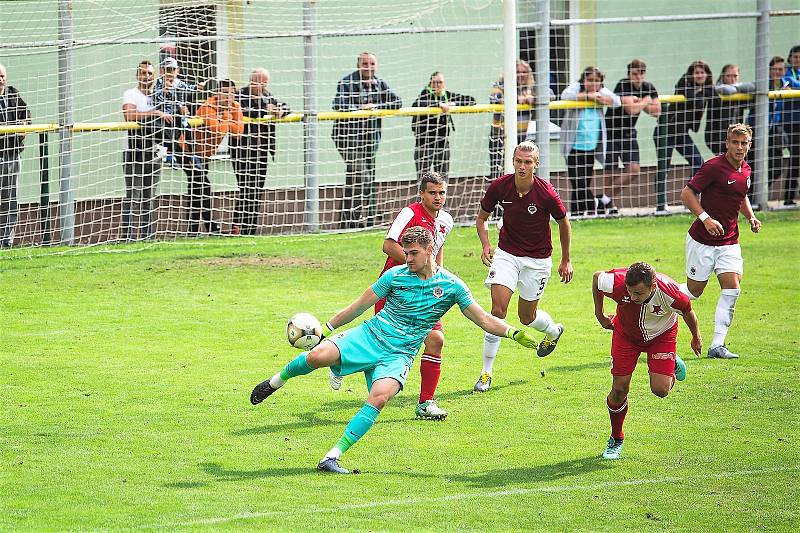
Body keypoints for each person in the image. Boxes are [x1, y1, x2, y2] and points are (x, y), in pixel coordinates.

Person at [249, 226, 540, 474]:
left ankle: (331, 457)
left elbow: (484, 318)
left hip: (399, 354)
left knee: (380, 398)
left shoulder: (452, 286)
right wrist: (326, 327)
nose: (406, 258)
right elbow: (357, 306)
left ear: (429, 249)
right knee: (316, 356)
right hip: (371, 335)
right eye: (405, 252)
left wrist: (513, 332)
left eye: (413, 253)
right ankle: (275, 382)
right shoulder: (395, 276)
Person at [329, 172, 454, 420]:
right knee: (382, 347)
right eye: (432, 192)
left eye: (441, 192)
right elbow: (388, 244)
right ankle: (339, 359)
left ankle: (425, 403)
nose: (438, 197)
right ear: (422, 194)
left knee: (436, 339)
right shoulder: (409, 213)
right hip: (395, 290)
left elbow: (436, 251)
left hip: (426, 292)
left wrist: (437, 274)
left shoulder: (447, 221)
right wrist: (412, 267)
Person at [473, 141, 573, 392]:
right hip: (506, 254)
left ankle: (552, 331)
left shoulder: (546, 192)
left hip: (538, 261)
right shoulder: (500, 187)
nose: (522, 166)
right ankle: (486, 373)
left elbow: (563, 223)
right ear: (513, 161)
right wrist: (486, 245)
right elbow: (482, 219)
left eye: (528, 162)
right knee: (497, 311)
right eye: (518, 161)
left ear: (535, 165)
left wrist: (566, 259)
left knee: (526, 317)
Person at [592, 261, 701, 460]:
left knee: (660, 390)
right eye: (630, 292)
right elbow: (597, 278)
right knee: (619, 389)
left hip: (661, 337)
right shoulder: (616, 282)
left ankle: (670, 363)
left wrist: (696, 337)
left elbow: (688, 312)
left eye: (639, 294)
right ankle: (616, 438)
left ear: (653, 286)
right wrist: (599, 315)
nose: (633, 297)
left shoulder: (671, 292)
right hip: (626, 336)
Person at [679, 123, 761, 360]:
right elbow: (687, 193)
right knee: (693, 293)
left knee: (732, 288)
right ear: (727, 144)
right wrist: (705, 219)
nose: (739, 147)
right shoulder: (714, 167)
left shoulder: (745, 170)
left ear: (749, 145)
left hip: (729, 242)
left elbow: (741, 195)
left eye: (744, 143)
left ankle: (717, 345)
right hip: (701, 241)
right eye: (735, 142)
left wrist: (751, 217)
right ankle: (662, 298)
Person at [331, 52, 402, 229]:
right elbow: (338, 104)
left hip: (369, 140)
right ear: (358, 66)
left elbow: (397, 102)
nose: (368, 67)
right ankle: (355, 220)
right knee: (362, 176)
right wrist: (359, 108)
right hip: (347, 138)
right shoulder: (347, 82)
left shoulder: (379, 84)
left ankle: (347, 223)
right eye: (365, 64)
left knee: (354, 179)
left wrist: (376, 107)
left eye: (372, 64)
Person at [230, 68, 290, 235]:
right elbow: (243, 112)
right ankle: (237, 227)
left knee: (257, 190)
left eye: (265, 82)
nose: (262, 85)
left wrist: (281, 111)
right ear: (251, 80)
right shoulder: (240, 95)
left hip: (261, 150)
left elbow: (284, 106)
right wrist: (266, 111)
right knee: (245, 188)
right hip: (241, 150)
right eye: (259, 81)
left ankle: (251, 229)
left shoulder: (267, 96)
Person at [601, 59, 661, 214]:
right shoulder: (623, 84)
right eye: (635, 73)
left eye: (641, 73)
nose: (638, 76)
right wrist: (646, 101)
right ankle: (609, 206)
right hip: (612, 131)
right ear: (629, 74)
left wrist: (640, 103)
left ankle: (603, 200)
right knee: (611, 171)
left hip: (629, 132)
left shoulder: (649, 87)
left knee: (634, 170)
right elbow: (631, 110)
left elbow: (657, 111)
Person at [560, 66, 621, 216]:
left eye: (596, 80)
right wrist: (588, 96)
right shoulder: (576, 88)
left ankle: (578, 214)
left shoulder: (601, 91)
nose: (593, 83)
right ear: (584, 80)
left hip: (591, 146)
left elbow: (616, 101)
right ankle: (596, 203)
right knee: (577, 182)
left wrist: (600, 97)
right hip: (574, 145)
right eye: (590, 80)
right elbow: (565, 95)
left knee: (584, 182)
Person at [121, 60, 167, 241]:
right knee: (133, 194)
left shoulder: (160, 95)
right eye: (142, 73)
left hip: (155, 151)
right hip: (133, 151)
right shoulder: (130, 94)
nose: (146, 76)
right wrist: (154, 113)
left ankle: (148, 237)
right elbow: (129, 115)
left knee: (150, 196)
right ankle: (128, 238)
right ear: (137, 75)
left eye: (149, 73)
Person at [488, 59, 554, 181]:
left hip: (520, 136)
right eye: (518, 72)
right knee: (498, 173)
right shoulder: (502, 83)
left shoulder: (531, 87)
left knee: (519, 172)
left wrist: (533, 98)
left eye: (524, 72)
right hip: (499, 135)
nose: (521, 75)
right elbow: (494, 98)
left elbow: (550, 95)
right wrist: (517, 99)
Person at [192, 79, 244, 234]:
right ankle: (211, 227)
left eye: (232, 93)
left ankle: (193, 230)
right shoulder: (207, 107)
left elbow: (238, 132)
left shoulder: (235, 106)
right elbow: (218, 130)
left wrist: (226, 120)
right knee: (203, 186)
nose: (229, 97)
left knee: (197, 190)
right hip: (188, 150)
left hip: (205, 155)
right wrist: (228, 119)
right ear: (217, 93)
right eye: (225, 92)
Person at [411, 72, 476, 180]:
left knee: (442, 180)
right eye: (434, 82)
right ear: (430, 83)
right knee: (423, 180)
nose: (437, 85)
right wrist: (438, 105)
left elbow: (471, 100)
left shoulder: (447, 96)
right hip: (424, 144)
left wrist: (452, 104)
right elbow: (416, 105)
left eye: (440, 82)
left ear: (444, 84)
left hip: (442, 144)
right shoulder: (425, 94)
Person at [658, 60, 715, 181]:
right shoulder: (683, 83)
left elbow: (717, 99)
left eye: (702, 72)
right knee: (664, 169)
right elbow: (694, 99)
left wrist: (703, 91)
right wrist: (702, 93)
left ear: (707, 74)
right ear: (691, 74)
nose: (699, 75)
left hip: (681, 133)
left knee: (698, 164)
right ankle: (662, 199)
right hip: (665, 131)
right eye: (696, 72)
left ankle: (688, 195)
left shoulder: (706, 88)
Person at [151, 57, 203, 171]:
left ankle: (194, 156)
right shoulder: (159, 84)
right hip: (166, 118)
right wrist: (164, 92)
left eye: (172, 70)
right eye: (167, 70)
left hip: (180, 118)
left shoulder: (179, 83)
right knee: (170, 137)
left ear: (177, 71)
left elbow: (189, 88)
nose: (170, 73)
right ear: (162, 71)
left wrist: (198, 87)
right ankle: (170, 156)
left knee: (188, 132)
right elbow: (155, 99)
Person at [0, 63, 30, 249]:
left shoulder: (13, 95)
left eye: (2, 76)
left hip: (11, 155)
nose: (1, 80)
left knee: (10, 198)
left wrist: (23, 127)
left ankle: (6, 240)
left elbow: (26, 118)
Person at [705, 64, 755, 157]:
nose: (732, 79)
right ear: (723, 76)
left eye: (735, 76)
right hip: (717, 136)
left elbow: (754, 89)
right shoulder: (716, 91)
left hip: (736, 136)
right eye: (728, 76)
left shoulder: (739, 92)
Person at [781, 45, 800, 206]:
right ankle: (788, 197)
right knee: (795, 158)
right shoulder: (786, 72)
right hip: (789, 122)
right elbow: (785, 83)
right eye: (795, 57)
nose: (798, 60)